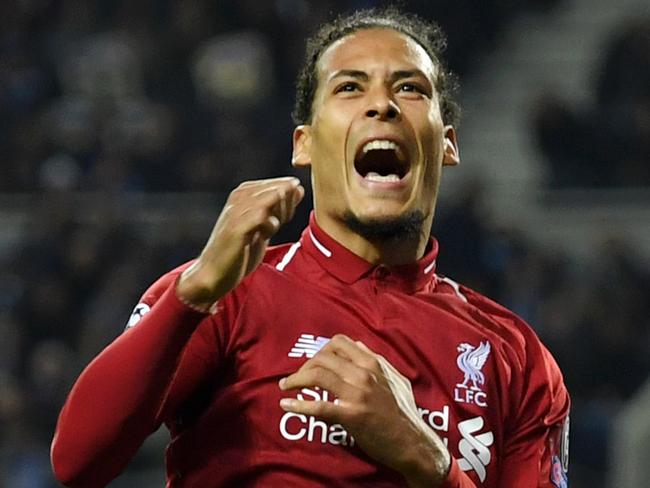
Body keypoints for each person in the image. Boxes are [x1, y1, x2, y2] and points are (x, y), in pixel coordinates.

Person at [51, 8, 570, 488]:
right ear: (304, 143)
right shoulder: (226, 293)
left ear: (448, 142)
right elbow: (78, 460)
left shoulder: (515, 358)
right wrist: (196, 290)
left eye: (410, 88)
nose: (382, 105)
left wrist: (425, 459)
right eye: (349, 87)